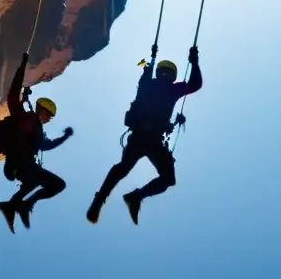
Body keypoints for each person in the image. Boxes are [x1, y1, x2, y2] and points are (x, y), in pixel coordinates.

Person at [86, 45, 202, 225]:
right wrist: (194, 62)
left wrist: (151, 63)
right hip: (151, 139)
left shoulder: (150, 83)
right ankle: (133, 196)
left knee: (123, 168)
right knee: (165, 179)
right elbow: (195, 84)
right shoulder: (171, 89)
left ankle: (106, 198)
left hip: (142, 136)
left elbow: (145, 79)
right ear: (172, 76)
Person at [0, 51, 74, 233]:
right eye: (50, 116)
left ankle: (18, 205)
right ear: (43, 111)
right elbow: (13, 97)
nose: (50, 119)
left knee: (48, 184)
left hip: (24, 165)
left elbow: (46, 145)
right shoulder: (26, 118)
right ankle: (17, 205)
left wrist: (64, 137)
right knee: (46, 181)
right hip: (18, 163)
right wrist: (22, 67)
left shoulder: (37, 128)